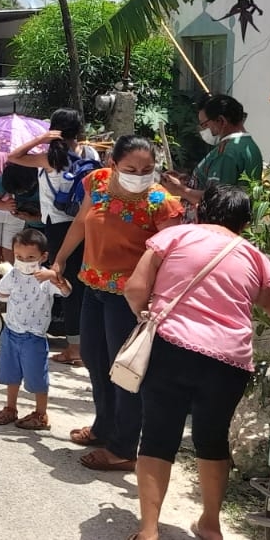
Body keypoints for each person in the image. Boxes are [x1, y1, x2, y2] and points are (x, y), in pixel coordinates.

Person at [123, 183, 270, 540]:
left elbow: (135, 289)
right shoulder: (256, 258)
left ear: (200, 212)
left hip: (171, 346)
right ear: (246, 224)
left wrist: (146, 316)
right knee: (212, 439)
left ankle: (149, 530)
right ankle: (211, 524)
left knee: (157, 435)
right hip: (228, 361)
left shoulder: (175, 237)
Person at [55, 135, 185, 473]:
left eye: (147, 169)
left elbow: (171, 256)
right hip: (93, 288)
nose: (139, 174)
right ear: (113, 164)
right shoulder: (97, 182)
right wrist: (60, 259)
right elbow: (82, 222)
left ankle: (125, 446)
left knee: (124, 372)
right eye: (131, 168)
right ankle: (103, 427)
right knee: (95, 362)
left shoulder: (162, 202)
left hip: (129, 298)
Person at [8, 108, 98, 368]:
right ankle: (86, 344)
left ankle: (73, 349)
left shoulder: (50, 157)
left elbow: (14, 156)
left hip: (59, 226)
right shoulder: (89, 153)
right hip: (86, 224)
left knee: (64, 283)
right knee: (83, 285)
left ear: (53, 129)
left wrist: (41, 139)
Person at [0, 228, 71, 431]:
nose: (24, 261)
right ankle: (10, 407)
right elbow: (1, 290)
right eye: (19, 256)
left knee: (36, 377)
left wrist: (55, 276)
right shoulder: (13, 274)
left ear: (43, 257)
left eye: (30, 257)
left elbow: (67, 291)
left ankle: (41, 413)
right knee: (11, 373)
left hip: (34, 336)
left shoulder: (45, 279)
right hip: (11, 332)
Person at [162, 94, 263, 207]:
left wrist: (181, 190)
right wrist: (193, 181)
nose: (203, 130)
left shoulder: (227, 153)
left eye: (204, 124)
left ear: (221, 121)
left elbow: (217, 200)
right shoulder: (248, 145)